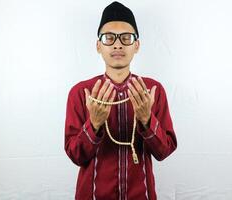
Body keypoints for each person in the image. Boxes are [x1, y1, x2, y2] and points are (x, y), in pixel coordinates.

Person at [64, 1, 177, 200]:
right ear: (98, 45)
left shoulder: (152, 91)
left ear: (137, 45)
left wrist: (146, 120)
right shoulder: (81, 92)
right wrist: (95, 124)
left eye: (126, 38)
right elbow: (75, 156)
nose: (117, 44)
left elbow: (164, 151)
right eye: (109, 38)